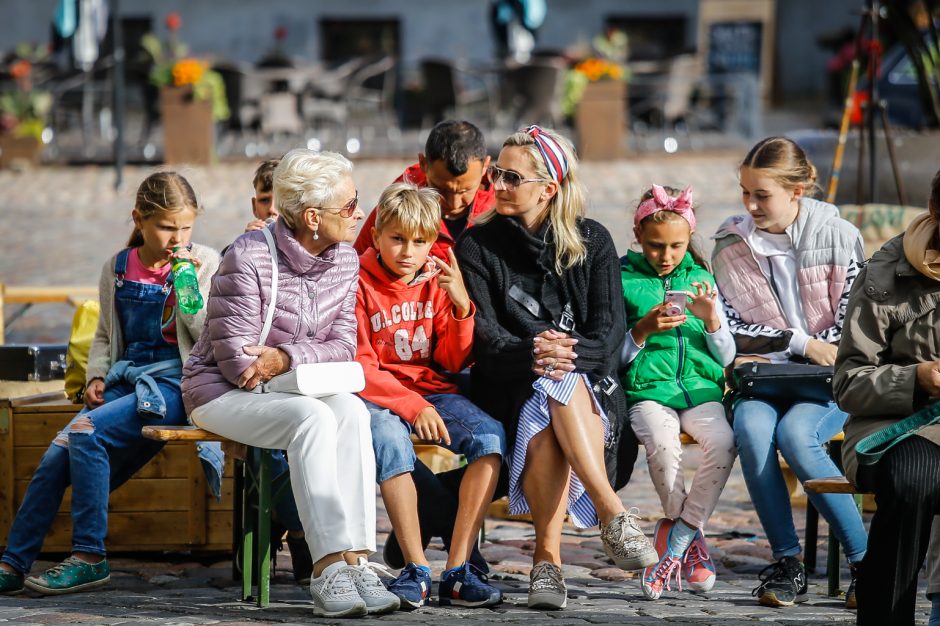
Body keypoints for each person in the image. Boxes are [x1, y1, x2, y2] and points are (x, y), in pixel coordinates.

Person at [182, 149, 399, 619]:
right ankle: (326, 569)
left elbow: (343, 345)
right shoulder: (248, 256)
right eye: (350, 205)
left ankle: (356, 559)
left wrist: (286, 358)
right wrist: (281, 365)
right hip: (219, 392)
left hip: (291, 384)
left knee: (352, 411)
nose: (360, 213)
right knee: (314, 416)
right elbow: (238, 361)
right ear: (313, 217)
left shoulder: (344, 259)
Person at [457, 125, 657, 611]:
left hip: (588, 386)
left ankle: (547, 560)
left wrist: (564, 356)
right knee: (551, 387)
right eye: (495, 172)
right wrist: (535, 353)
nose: (496, 185)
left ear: (547, 189)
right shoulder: (477, 246)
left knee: (559, 388)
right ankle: (610, 512)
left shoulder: (592, 241)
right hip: (507, 384)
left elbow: (608, 333)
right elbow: (487, 339)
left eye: (510, 177)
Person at [0, 172, 221, 596]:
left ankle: (89, 555)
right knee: (52, 461)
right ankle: (13, 563)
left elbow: (206, 332)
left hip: (176, 383)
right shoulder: (117, 268)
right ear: (139, 219)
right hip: (127, 378)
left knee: (86, 433)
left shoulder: (204, 262)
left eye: (186, 227)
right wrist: (96, 375)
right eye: (167, 227)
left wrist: (187, 283)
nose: (178, 237)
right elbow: (104, 335)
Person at [711, 136, 867, 608]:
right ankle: (788, 563)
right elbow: (731, 326)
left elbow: (853, 318)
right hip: (763, 378)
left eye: (763, 195)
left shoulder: (840, 235)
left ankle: (867, 563)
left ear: (798, 191)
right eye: (745, 193)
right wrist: (798, 342)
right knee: (752, 429)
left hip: (827, 383)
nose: (751, 205)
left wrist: (823, 350)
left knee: (800, 437)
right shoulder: (730, 243)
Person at [355, 182, 506, 609]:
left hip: (432, 390)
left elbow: (452, 358)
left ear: (431, 243)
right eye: (397, 239)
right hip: (379, 397)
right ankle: (416, 568)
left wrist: (460, 307)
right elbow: (361, 366)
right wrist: (411, 405)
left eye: (419, 242)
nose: (407, 251)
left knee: (490, 437)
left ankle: (458, 569)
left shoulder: (436, 277)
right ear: (378, 234)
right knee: (389, 440)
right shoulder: (358, 282)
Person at [621, 184, 737, 600]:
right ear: (638, 236)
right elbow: (612, 358)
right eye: (655, 246)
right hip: (648, 392)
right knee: (664, 446)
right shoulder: (623, 279)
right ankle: (688, 538)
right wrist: (642, 331)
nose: (666, 256)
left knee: (723, 442)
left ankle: (678, 537)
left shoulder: (701, 279)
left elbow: (726, 356)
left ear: (689, 240)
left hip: (702, 391)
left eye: (676, 246)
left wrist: (711, 322)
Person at [835, 169, 940, 626]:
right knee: (915, 478)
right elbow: (849, 383)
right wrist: (916, 377)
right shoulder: (888, 273)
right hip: (900, 426)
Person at [235, 156, 314, 584]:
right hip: (252, 381)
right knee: (267, 441)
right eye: (265, 201)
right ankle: (302, 533)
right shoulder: (240, 249)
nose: (271, 211)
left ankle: (303, 535)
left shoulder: (315, 254)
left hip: (297, 376)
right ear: (255, 204)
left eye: (280, 201)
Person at [354, 120, 493, 260]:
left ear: (485, 166)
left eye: (465, 191)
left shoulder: (503, 201)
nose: (454, 204)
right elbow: (358, 264)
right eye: (441, 190)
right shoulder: (397, 203)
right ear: (423, 164)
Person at [244, 159, 280, 232]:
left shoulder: (307, 241)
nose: (272, 209)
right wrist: (248, 241)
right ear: (254, 207)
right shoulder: (247, 241)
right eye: (264, 200)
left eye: (281, 201)